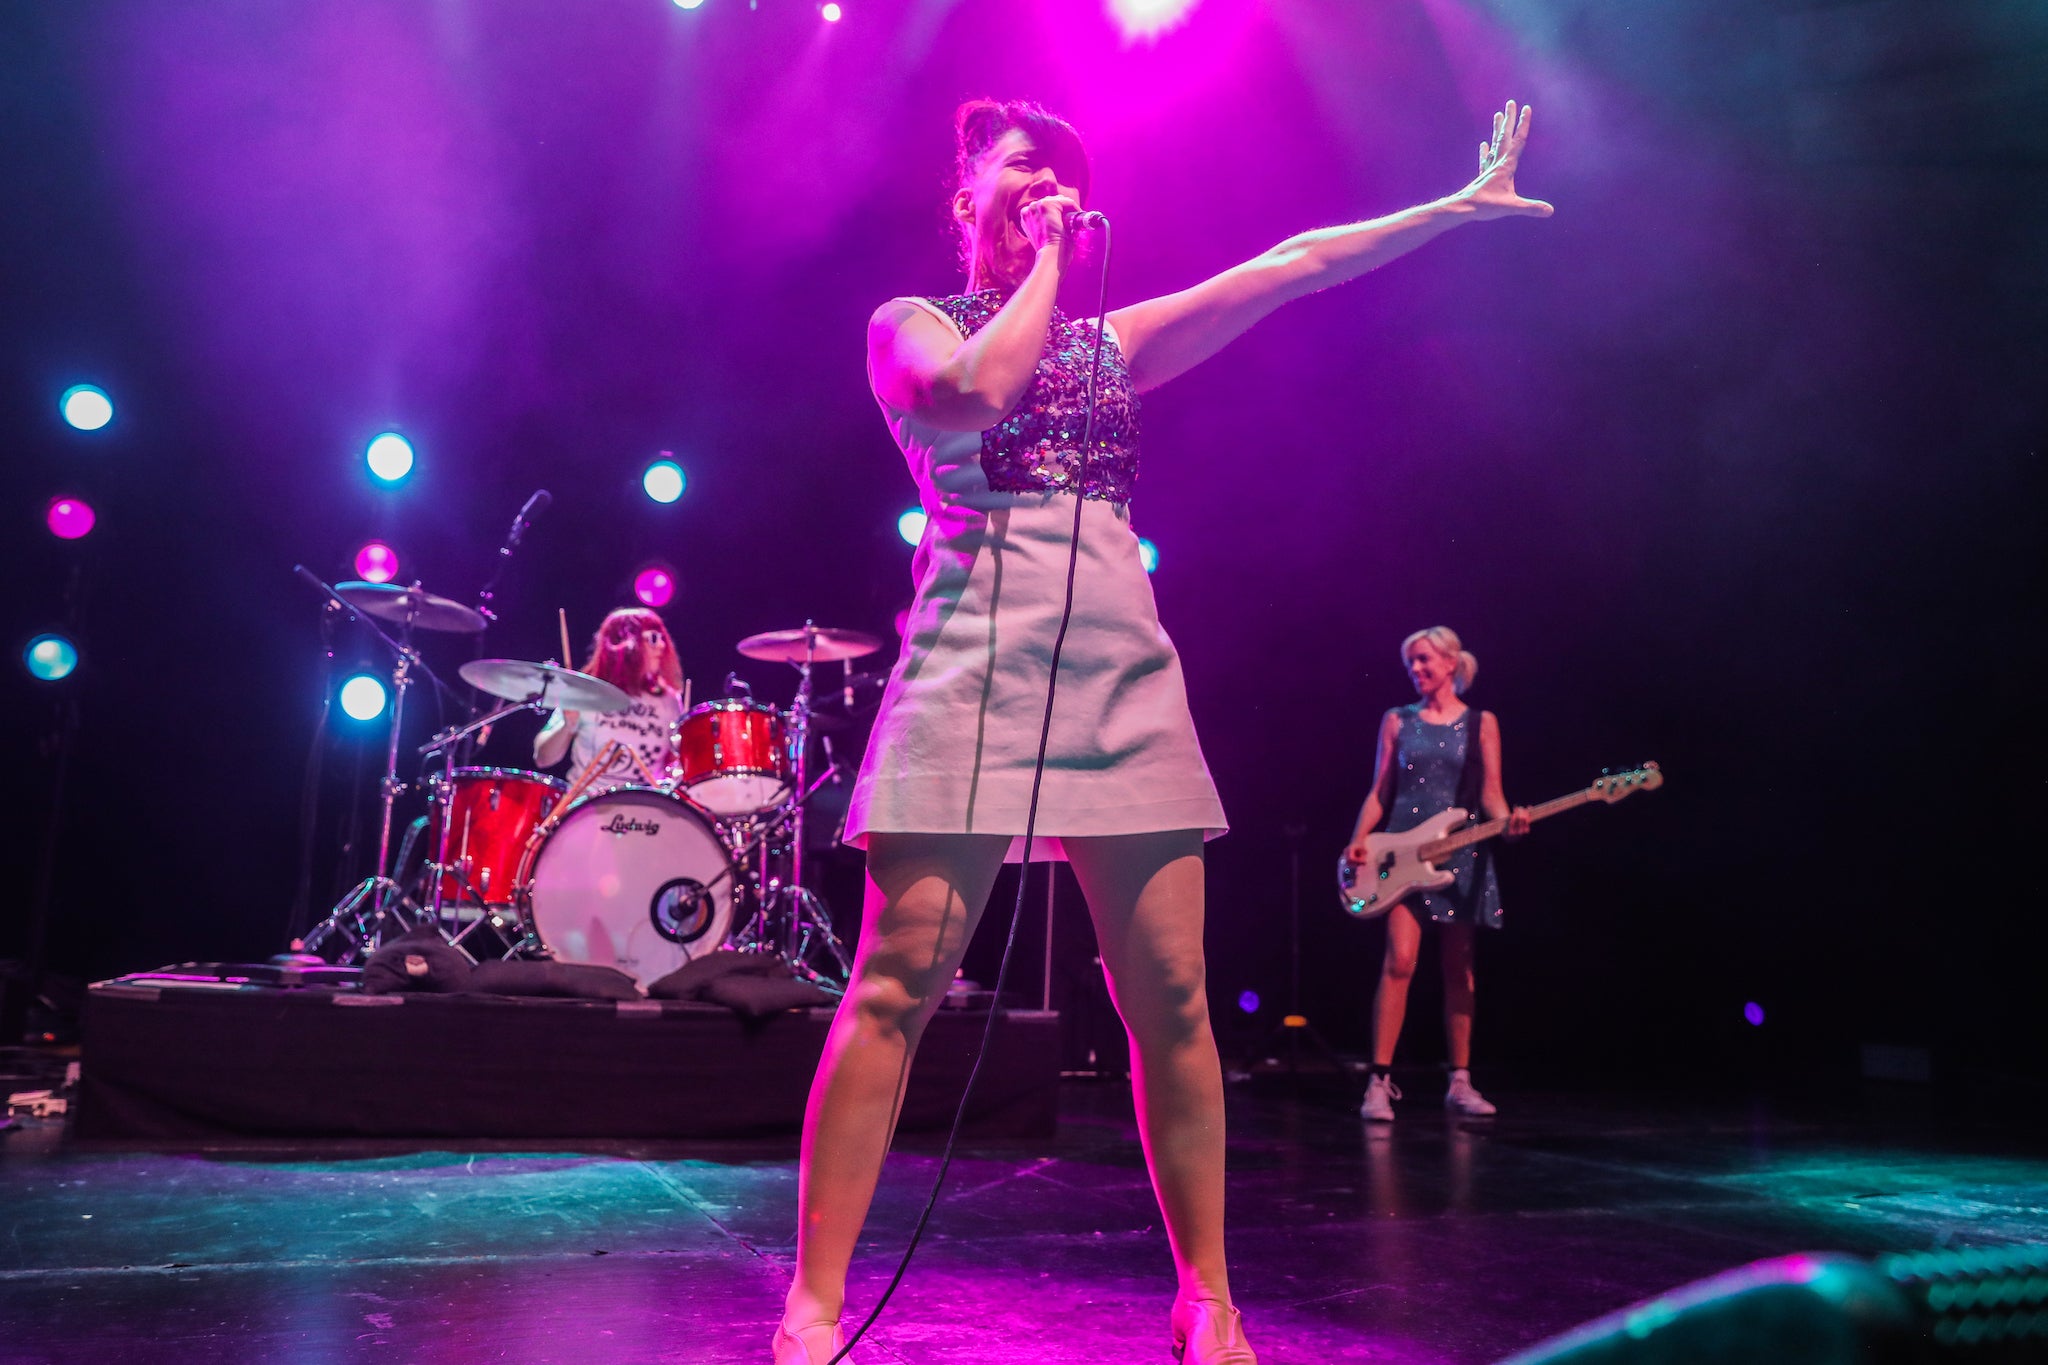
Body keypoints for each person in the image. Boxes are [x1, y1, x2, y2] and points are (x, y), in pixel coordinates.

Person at [776, 99, 1551, 1365]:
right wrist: (1042, 277)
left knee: (1173, 1002)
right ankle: (813, 1306)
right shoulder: (908, 327)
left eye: (1062, 177)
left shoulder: (1113, 341)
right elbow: (971, 397)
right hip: (968, 668)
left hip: (1119, 677)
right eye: (1020, 170)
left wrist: (1452, 209)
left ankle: (1208, 1299)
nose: (1044, 187)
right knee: (892, 992)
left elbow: (1289, 264)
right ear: (965, 196)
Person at [1345, 627, 1531, 1123]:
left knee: (1459, 968)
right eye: (1412, 664)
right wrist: (1361, 836)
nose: (1417, 670)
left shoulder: (1481, 723)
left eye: (1425, 660)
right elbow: (1380, 790)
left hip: (1461, 855)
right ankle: (1378, 1082)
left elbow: (1491, 794)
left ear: (1452, 663)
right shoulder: (1397, 720)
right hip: (1402, 853)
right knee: (1399, 960)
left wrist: (1509, 823)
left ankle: (1460, 1081)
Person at [532, 607, 687, 788]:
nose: (661, 646)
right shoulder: (584, 692)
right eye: (653, 638)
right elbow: (542, 758)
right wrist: (568, 725)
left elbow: (677, 761)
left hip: (647, 808)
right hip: (588, 805)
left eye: (662, 639)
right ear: (625, 644)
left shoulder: (669, 700)